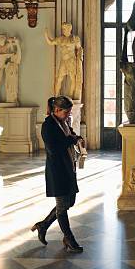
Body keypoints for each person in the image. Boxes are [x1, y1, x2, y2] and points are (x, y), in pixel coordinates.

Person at [32, 95, 85, 252]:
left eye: (70, 112)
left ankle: (43, 225)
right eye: (66, 112)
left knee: (69, 202)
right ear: (56, 110)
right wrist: (71, 140)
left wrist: (76, 137)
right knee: (62, 207)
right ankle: (69, 239)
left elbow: (69, 135)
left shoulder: (63, 122)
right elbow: (54, 148)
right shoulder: (48, 126)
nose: (69, 115)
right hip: (57, 171)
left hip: (69, 167)